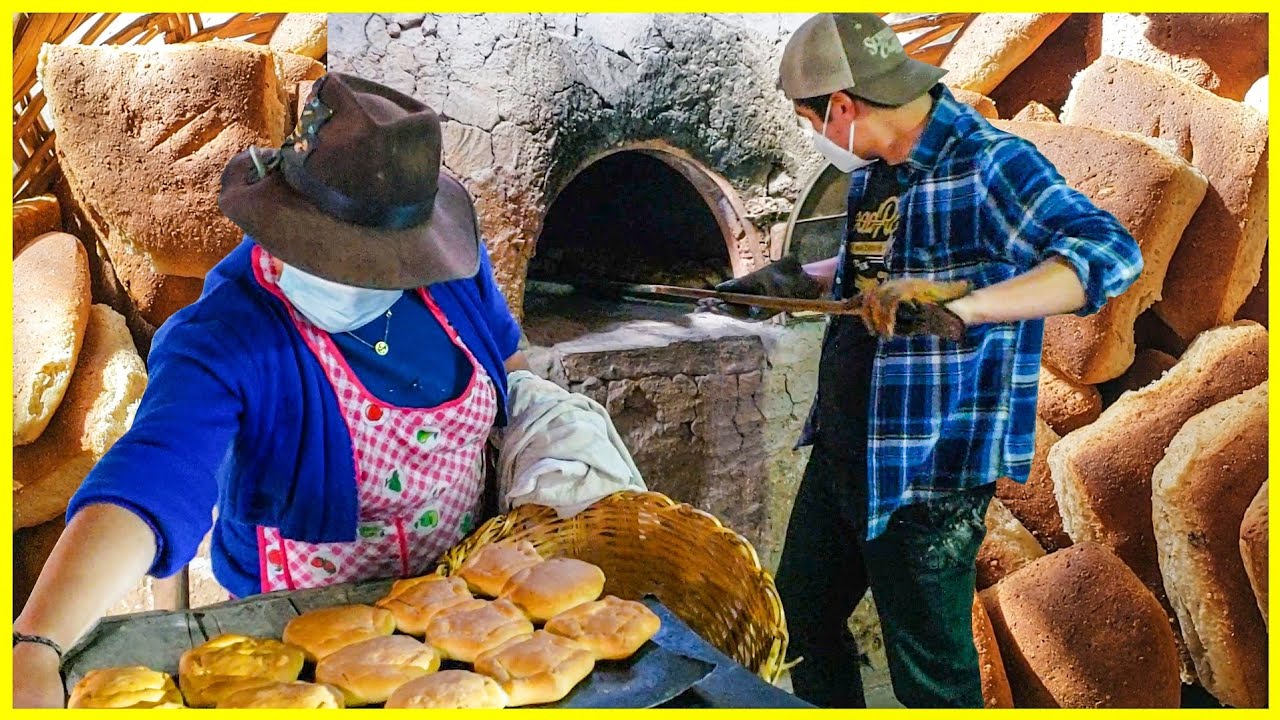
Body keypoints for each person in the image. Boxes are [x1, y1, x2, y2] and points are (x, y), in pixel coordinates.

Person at [13, 73, 532, 707]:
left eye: (376, 264)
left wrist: (555, 442)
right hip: (302, 640)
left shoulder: (447, 272)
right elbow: (151, 477)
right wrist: (37, 643)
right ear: (283, 215)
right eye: (325, 249)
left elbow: (511, 361)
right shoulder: (229, 334)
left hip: (461, 612)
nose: (348, 274)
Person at [707, 14, 1144, 708]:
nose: (813, 133)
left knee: (931, 679)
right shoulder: (877, 172)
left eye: (808, 119)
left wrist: (967, 306)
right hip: (844, 446)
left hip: (927, 470)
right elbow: (877, 270)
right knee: (798, 624)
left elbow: (1110, 253)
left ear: (842, 106)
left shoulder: (992, 163)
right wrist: (802, 278)